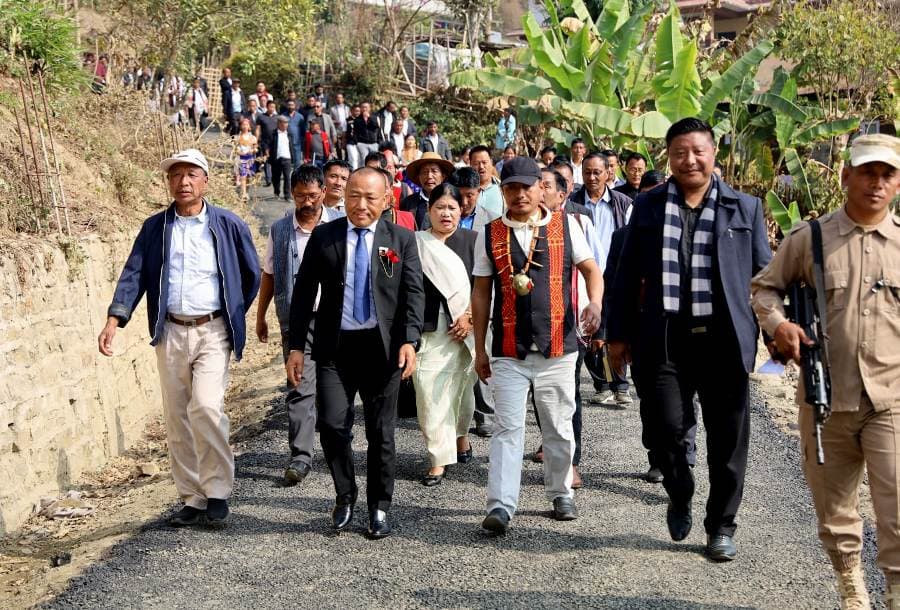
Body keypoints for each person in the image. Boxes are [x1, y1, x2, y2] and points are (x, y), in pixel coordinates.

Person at [607, 118, 772, 561]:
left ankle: (721, 525)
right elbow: (627, 275)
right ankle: (680, 491)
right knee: (665, 429)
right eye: (680, 152)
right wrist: (616, 334)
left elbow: (764, 280)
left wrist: (774, 331)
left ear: (713, 152)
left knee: (728, 441)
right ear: (670, 157)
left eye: (698, 150)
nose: (689, 160)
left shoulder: (745, 208)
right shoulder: (649, 206)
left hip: (724, 340)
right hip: (663, 339)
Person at [750, 134, 900, 608]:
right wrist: (780, 325)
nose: (877, 183)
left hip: (891, 399)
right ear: (846, 177)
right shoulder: (810, 239)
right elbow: (764, 289)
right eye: (867, 172)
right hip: (826, 398)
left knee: (896, 505)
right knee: (834, 506)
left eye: (887, 174)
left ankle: (896, 590)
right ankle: (851, 586)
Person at [98, 149, 260, 528]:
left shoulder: (228, 224)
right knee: (177, 415)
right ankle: (192, 496)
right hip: (170, 330)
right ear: (169, 182)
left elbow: (250, 274)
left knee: (205, 406)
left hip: (213, 330)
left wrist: (232, 311)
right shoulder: (155, 227)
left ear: (205, 181)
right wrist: (114, 319)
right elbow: (133, 274)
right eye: (176, 176)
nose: (183, 182)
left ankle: (218, 490)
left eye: (191, 175)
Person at [286, 167, 424, 539]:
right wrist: (296, 346)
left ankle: (379, 506)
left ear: (386, 200)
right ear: (343, 195)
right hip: (336, 347)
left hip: (383, 350)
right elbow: (303, 295)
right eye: (354, 196)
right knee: (332, 425)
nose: (361, 205)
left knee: (381, 432)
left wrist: (411, 340)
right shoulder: (325, 236)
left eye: (370, 198)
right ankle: (345, 495)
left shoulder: (401, 239)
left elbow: (414, 294)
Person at [471, 157, 604, 534]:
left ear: (540, 188)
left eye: (526, 187)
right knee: (506, 428)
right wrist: (480, 349)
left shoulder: (567, 225)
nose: (518, 194)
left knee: (559, 428)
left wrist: (594, 304)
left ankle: (560, 490)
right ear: (502, 191)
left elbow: (592, 270)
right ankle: (500, 505)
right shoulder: (491, 231)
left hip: (559, 348)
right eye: (510, 188)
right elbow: (481, 294)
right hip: (509, 348)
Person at [257, 165, 344, 485]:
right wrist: (261, 314)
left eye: (312, 195)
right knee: (299, 386)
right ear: (291, 195)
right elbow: (269, 273)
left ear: (324, 192)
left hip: (338, 318)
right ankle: (300, 456)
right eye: (299, 196)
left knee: (338, 383)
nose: (306, 202)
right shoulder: (280, 231)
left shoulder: (341, 225)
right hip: (296, 319)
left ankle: (339, 442)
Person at [413, 183, 479, 485]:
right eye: (440, 207)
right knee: (431, 391)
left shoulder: (473, 241)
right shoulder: (415, 243)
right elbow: (389, 272)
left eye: (452, 208)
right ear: (429, 211)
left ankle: (460, 436)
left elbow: (485, 287)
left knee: (462, 389)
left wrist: (469, 318)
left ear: (461, 210)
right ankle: (438, 458)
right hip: (431, 329)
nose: (446, 213)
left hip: (467, 328)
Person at [569, 152, 635, 406]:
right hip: (584, 277)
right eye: (587, 172)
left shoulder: (623, 203)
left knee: (615, 329)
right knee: (589, 330)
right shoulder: (574, 203)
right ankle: (602, 383)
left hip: (617, 276)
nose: (593, 177)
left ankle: (621, 385)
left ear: (609, 173)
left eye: (598, 172)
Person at [401, 152, 454, 229]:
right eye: (424, 172)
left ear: (443, 176)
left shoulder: (452, 202)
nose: (429, 176)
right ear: (419, 177)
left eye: (434, 171)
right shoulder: (407, 203)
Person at [468, 145, 504, 218]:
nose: (481, 167)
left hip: (497, 228)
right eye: (476, 164)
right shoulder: (463, 190)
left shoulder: (503, 188)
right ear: (470, 165)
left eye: (484, 162)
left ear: (491, 162)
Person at [269, 116, 295, 201]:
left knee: (287, 177)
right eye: (284, 123)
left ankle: (287, 195)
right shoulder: (274, 133)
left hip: (287, 158)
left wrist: (293, 158)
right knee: (276, 177)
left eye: (287, 123)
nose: (286, 125)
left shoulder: (290, 134)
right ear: (279, 123)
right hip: (276, 158)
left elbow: (291, 146)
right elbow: (270, 145)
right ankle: (277, 192)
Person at [257, 100, 280, 187]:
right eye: (270, 107)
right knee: (266, 160)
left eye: (273, 107)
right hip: (265, 142)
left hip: (275, 142)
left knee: (275, 161)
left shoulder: (277, 117)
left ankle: (274, 178)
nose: (272, 109)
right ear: (267, 107)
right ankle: (268, 179)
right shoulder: (261, 117)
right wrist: (257, 139)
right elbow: (258, 129)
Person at [354, 102, 383, 169]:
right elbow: (356, 131)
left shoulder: (375, 117)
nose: (364, 109)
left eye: (366, 107)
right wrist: (357, 142)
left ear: (369, 108)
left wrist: (369, 117)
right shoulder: (357, 119)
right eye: (363, 107)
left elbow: (377, 126)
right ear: (360, 108)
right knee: (364, 160)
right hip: (362, 143)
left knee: (375, 160)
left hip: (373, 143)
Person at [234, 118, 257, 201]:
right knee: (243, 176)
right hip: (241, 159)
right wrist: (240, 152)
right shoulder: (237, 137)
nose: (245, 126)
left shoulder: (253, 138)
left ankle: (246, 192)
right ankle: (243, 193)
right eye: (243, 124)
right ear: (240, 126)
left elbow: (255, 148)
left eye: (246, 124)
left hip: (250, 159)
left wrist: (253, 150)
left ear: (249, 126)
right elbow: (235, 149)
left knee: (248, 177)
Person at [282, 100, 306, 170]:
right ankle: (288, 177)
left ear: (295, 106)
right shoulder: (283, 116)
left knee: (297, 161)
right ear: (287, 106)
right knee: (287, 161)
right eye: (289, 105)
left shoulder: (300, 116)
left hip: (297, 142)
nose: (290, 106)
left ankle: (296, 176)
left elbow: (303, 130)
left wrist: (302, 141)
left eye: (292, 105)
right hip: (286, 143)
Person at [330, 93, 351, 159]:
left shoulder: (347, 108)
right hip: (337, 130)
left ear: (343, 99)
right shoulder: (332, 109)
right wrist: (335, 122)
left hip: (347, 130)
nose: (339, 99)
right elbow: (330, 120)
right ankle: (340, 160)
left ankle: (347, 160)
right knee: (338, 147)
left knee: (347, 147)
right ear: (336, 99)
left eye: (340, 97)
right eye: (337, 97)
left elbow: (350, 118)